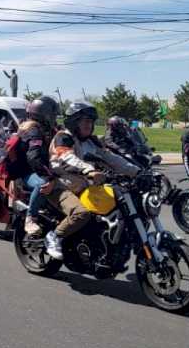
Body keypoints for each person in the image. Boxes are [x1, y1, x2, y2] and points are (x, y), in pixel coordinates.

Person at [46, 102, 139, 260]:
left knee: (117, 205)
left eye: (91, 122)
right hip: (61, 186)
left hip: (85, 187)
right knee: (82, 213)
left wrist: (137, 171)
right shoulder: (63, 137)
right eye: (85, 121)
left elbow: (111, 158)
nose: (89, 125)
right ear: (74, 122)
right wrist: (88, 170)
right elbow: (67, 157)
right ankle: (55, 237)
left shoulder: (92, 141)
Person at [1, 96, 59, 236]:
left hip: (39, 167)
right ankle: (30, 218)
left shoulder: (47, 129)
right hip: (26, 172)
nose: (55, 118)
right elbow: (33, 158)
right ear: (44, 115)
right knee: (43, 184)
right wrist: (48, 175)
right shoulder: (34, 131)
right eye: (53, 115)